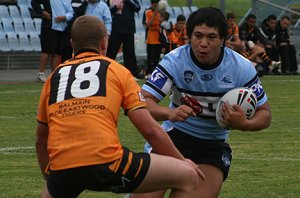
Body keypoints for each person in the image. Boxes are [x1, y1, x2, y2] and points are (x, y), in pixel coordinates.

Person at [35, 15, 205, 198]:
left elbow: (41, 139)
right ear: (103, 42)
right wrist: (183, 161)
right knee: (189, 176)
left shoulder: (54, 78)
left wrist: (50, 179)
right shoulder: (118, 71)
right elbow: (149, 129)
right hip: (107, 162)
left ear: (72, 43)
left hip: (62, 167)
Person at [131, 7, 272, 198]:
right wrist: (169, 113)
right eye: (198, 36)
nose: (203, 43)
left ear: (223, 39)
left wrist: (245, 124)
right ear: (190, 36)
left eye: (211, 37)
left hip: (212, 145)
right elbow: (142, 101)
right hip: (173, 138)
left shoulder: (241, 68)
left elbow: (265, 114)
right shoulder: (175, 61)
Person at [31, 0, 74, 82]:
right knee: (46, 51)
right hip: (49, 26)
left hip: (61, 28)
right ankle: (41, 74)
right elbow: (34, 2)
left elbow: (70, 12)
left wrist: (64, 17)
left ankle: (54, 74)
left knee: (57, 53)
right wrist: (42, 12)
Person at [106, 0, 143, 80]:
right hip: (116, 30)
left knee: (130, 53)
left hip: (129, 30)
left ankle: (132, 74)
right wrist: (116, 7)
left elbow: (137, 8)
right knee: (111, 53)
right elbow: (107, 11)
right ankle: (106, 72)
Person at [143, 0, 162, 79]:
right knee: (151, 57)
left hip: (159, 38)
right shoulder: (147, 12)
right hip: (150, 38)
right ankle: (149, 72)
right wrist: (154, 14)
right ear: (153, 4)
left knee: (157, 57)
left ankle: (156, 73)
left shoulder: (160, 12)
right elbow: (147, 25)